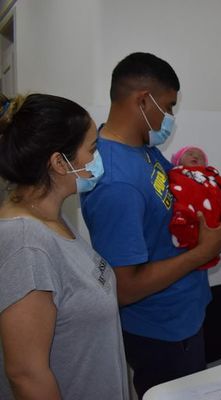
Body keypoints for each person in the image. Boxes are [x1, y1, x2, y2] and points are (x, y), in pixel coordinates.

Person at [80, 53, 221, 398]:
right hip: (160, 332)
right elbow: (123, 288)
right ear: (142, 99)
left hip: (185, 314)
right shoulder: (115, 182)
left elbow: (183, 202)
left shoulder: (143, 151)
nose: (169, 118)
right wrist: (203, 253)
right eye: (168, 107)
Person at [0, 93, 129, 399]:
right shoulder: (25, 245)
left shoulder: (54, 219)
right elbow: (27, 375)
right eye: (92, 149)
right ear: (59, 162)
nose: (98, 159)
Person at [169, 145, 221, 270]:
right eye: (190, 154)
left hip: (209, 213)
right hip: (190, 206)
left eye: (200, 156)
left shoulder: (210, 175)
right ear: (178, 161)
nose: (195, 156)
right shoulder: (177, 173)